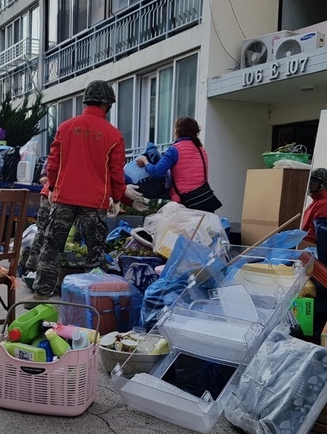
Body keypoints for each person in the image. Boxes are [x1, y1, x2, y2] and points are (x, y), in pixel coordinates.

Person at [33, 80, 137, 300]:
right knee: (94, 253)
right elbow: (116, 173)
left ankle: (41, 295)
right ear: (108, 104)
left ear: (86, 100)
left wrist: (51, 187)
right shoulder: (113, 135)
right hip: (94, 202)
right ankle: (88, 300)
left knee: (52, 247)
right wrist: (117, 199)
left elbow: (54, 163)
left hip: (64, 198)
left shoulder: (66, 127)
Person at [135, 116, 217, 212]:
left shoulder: (174, 150)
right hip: (203, 200)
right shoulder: (201, 150)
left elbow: (156, 171)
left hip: (183, 202)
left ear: (178, 131)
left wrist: (145, 161)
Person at [300, 167, 327, 245]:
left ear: (323, 185)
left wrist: (297, 245)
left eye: (314, 181)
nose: (310, 183)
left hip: (310, 250)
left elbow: (315, 234)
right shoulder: (316, 202)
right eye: (310, 180)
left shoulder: (325, 205)